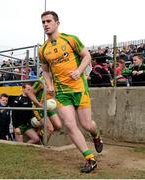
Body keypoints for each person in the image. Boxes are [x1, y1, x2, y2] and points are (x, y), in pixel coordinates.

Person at [39, 11, 103, 173]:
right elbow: (45, 70)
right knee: (69, 124)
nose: (45, 24)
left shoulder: (70, 39)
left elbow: (86, 56)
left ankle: (96, 136)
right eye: (43, 22)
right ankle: (90, 158)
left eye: (48, 21)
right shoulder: (43, 49)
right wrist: (49, 85)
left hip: (79, 89)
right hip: (61, 93)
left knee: (87, 125)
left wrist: (79, 71)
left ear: (57, 23)